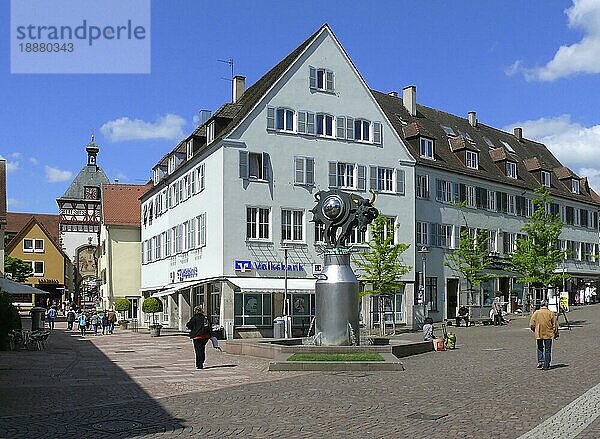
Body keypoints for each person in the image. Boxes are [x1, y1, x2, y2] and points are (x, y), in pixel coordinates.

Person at [529, 300, 559, 370]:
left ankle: (540, 361)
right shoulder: (550, 313)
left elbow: (532, 324)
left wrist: (534, 330)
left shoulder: (536, 313)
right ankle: (546, 365)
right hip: (548, 333)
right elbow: (555, 325)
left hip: (539, 333)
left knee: (540, 347)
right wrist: (556, 333)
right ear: (547, 305)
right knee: (547, 349)